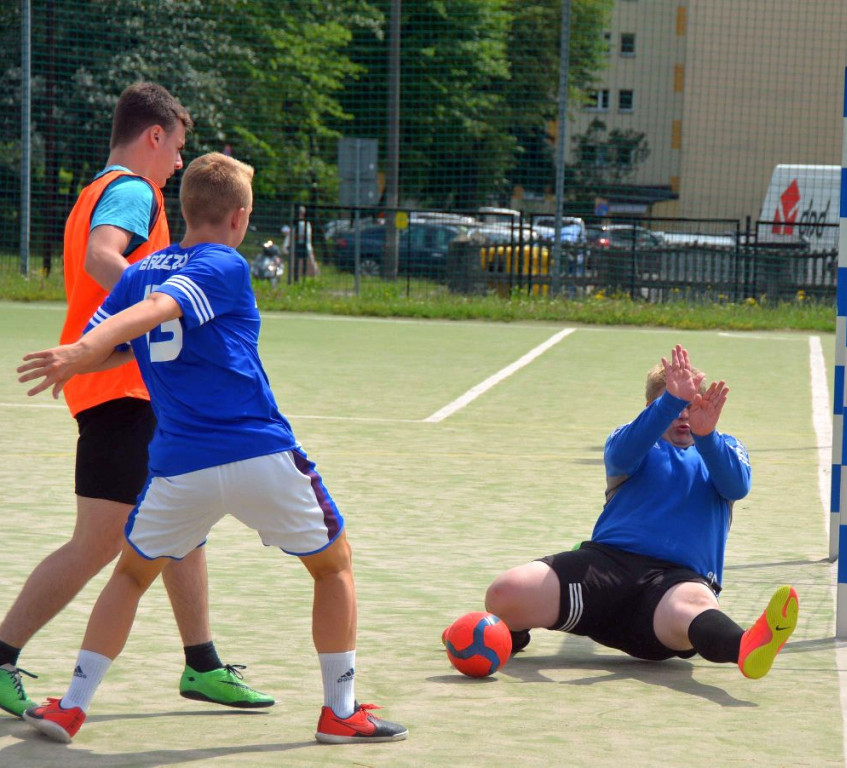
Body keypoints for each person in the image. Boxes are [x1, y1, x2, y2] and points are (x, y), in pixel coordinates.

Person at [16, 152, 407, 745]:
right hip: (257, 453)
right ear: (240, 217)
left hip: (178, 468)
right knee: (333, 566)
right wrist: (79, 353)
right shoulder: (224, 263)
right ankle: (341, 710)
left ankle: (72, 706)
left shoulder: (138, 271)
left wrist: (78, 353)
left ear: (183, 207)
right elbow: (159, 312)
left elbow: (123, 338)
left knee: (129, 576)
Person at [0, 82, 271, 719]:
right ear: (154, 136)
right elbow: (104, 258)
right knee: (98, 543)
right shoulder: (133, 190)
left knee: (185, 521)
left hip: (133, 387)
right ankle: (0, 653)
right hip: (120, 390)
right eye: (177, 146)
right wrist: (168, 307)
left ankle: (201, 663)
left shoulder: (96, 191)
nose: (180, 161)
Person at [476, 345, 798, 679]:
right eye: (673, 404)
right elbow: (622, 454)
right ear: (651, 409)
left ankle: (747, 646)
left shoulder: (724, 447)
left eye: (691, 405)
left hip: (676, 582)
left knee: (691, 609)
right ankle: (509, 634)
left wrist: (708, 437)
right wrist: (669, 402)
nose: (683, 414)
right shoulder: (632, 439)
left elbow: (736, 486)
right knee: (504, 592)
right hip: (606, 567)